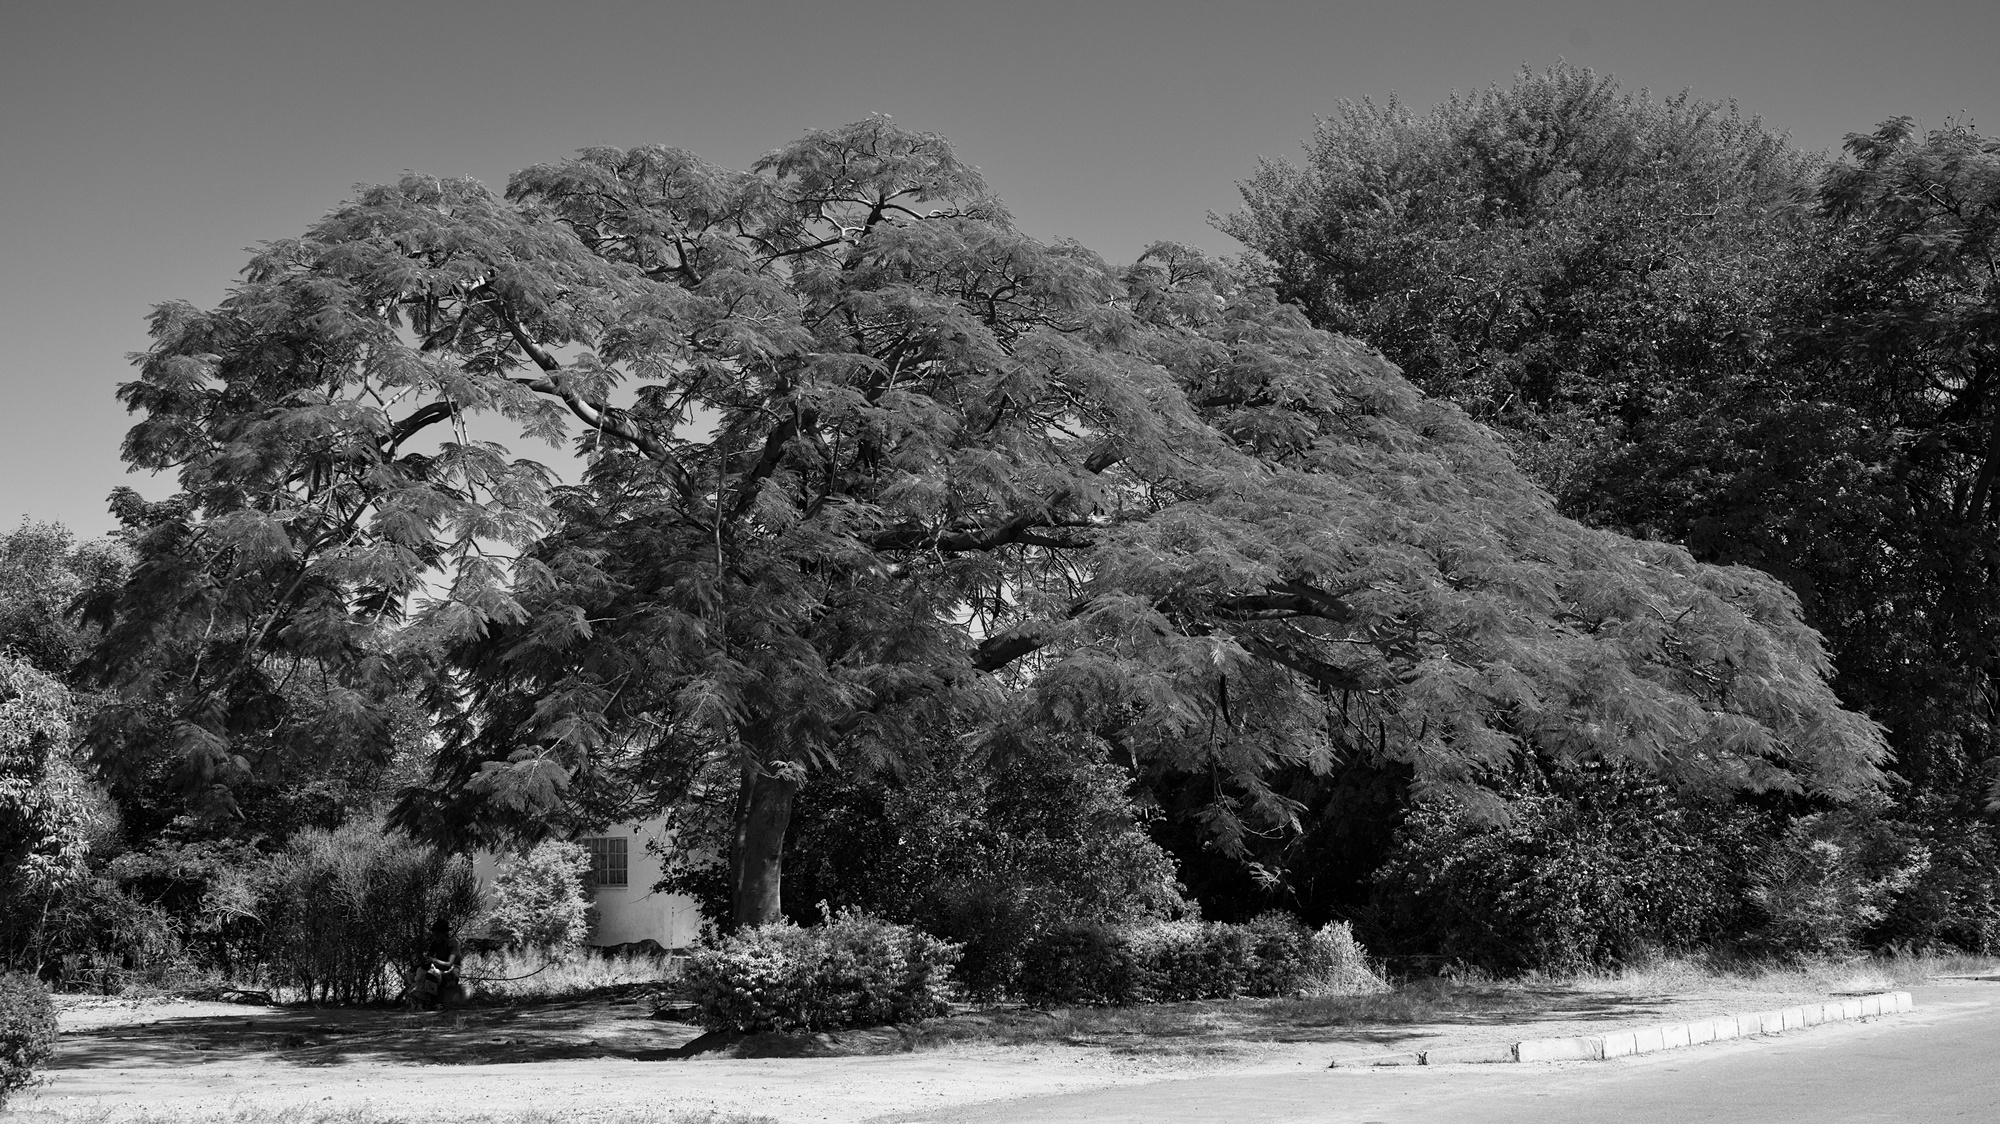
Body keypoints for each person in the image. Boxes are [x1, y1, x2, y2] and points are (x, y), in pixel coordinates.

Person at [408, 917, 465, 1009]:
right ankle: (419, 1001)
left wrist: (434, 960)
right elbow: (428, 958)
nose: (436, 938)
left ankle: (433, 1003)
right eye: (434, 935)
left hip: (451, 974)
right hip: (439, 970)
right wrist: (417, 967)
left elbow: (449, 964)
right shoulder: (435, 943)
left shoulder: (453, 943)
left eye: (438, 935)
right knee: (418, 973)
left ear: (444, 934)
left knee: (431, 975)